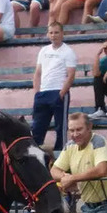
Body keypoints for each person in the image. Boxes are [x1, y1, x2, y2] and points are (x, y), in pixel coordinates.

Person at [32, 21, 77, 151]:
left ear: (62, 33)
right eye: (51, 32)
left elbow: (71, 75)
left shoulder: (68, 52)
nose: (53, 35)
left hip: (58, 91)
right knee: (37, 126)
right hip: (43, 93)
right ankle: (35, 151)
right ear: (47, 34)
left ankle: (61, 152)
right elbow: (37, 73)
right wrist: (36, 93)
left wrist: (62, 93)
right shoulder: (43, 50)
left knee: (60, 127)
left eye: (56, 32)